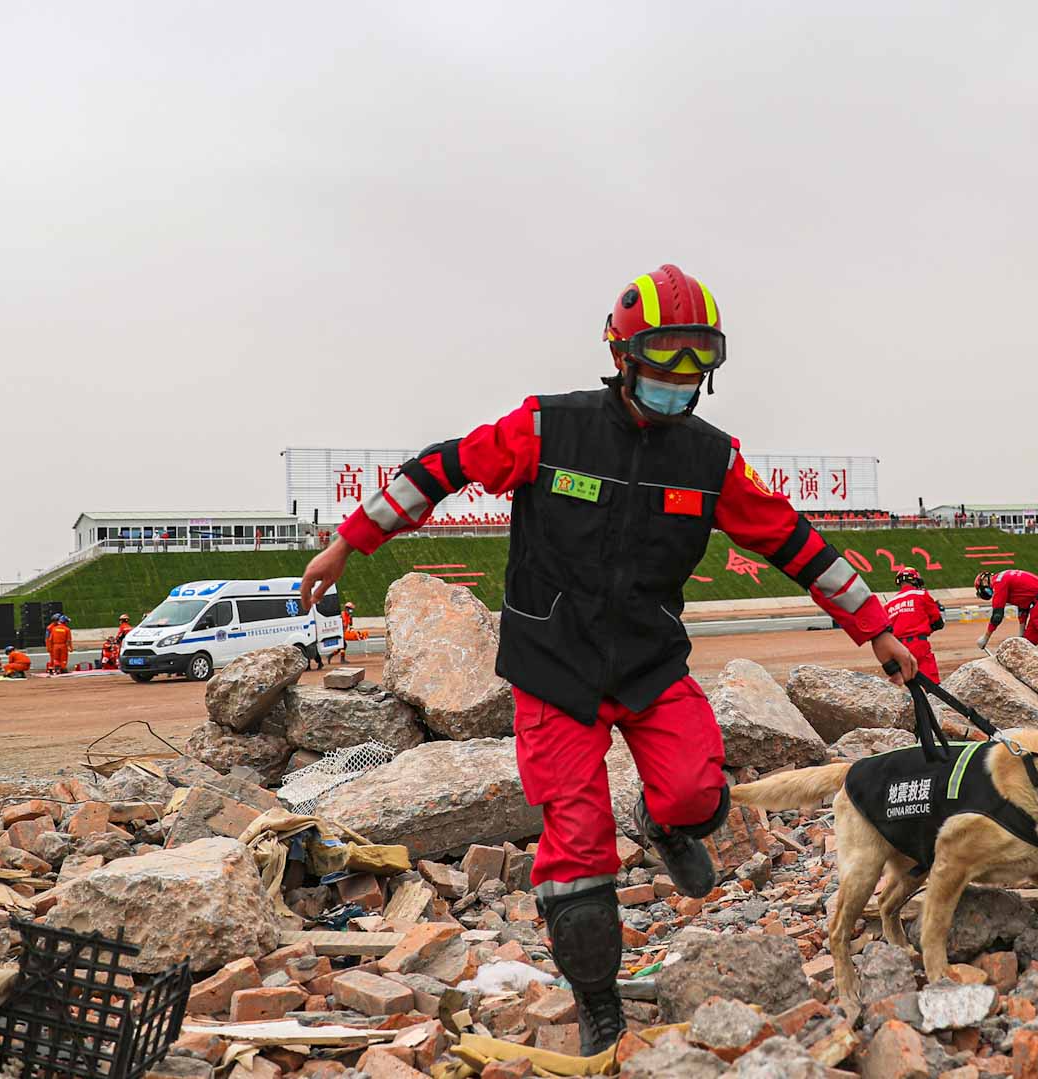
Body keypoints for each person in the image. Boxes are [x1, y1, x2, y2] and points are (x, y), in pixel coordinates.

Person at [296, 264, 914, 1056]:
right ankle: (599, 1003)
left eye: (699, 358)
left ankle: (666, 823)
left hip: (650, 663)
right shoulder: (547, 429)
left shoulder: (710, 458)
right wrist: (353, 538)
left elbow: (792, 540)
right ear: (623, 352)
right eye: (666, 354)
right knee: (577, 845)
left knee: (699, 792)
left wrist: (875, 625)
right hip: (555, 667)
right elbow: (442, 467)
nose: (681, 376)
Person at [884, 568, 946, 682]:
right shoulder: (921, 594)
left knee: (910, 683)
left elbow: (886, 630)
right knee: (931, 682)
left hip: (898, 648)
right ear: (914, 580)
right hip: (919, 644)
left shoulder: (889, 603)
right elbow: (937, 621)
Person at [974, 569, 1038, 649]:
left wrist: (985, 638)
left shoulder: (998, 582)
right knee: (1026, 645)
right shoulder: (1003, 577)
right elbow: (1023, 607)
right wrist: (1021, 633)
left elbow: (997, 615)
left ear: (985, 581)